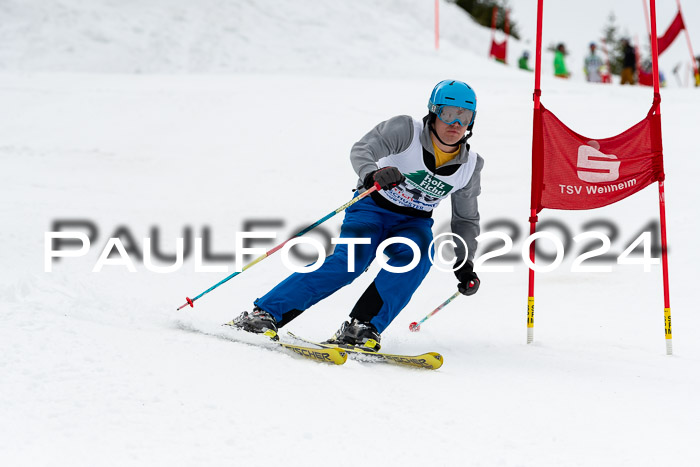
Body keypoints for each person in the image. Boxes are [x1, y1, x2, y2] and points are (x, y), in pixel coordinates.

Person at [231, 80, 484, 352]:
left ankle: (362, 328)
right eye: (448, 113)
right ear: (433, 113)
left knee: (418, 257)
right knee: (350, 261)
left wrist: (464, 260)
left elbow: (466, 220)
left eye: (464, 116)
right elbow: (363, 149)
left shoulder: (470, 166)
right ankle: (263, 315)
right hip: (371, 207)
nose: (455, 123)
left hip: (414, 222)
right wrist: (371, 173)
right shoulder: (407, 130)